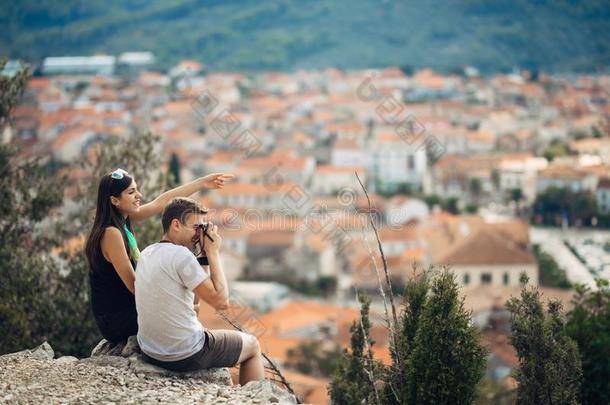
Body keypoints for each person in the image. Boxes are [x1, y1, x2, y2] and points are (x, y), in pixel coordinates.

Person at [84, 168, 233, 343]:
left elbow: (160, 202)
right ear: (115, 200)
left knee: (190, 304)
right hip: (117, 319)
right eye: (131, 192)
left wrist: (201, 183)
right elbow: (134, 285)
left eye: (136, 189)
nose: (139, 195)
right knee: (186, 305)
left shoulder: (122, 221)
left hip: (126, 310)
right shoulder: (111, 233)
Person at [135, 197, 264, 385]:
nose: (199, 234)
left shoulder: (148, 252)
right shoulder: (181, 256)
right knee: (252, 345)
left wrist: (203, 255)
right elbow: (221, 302)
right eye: (196, 227)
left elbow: (196, 301)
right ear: (176, 225)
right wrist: (213, 252)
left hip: (150, 352)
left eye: (202, 228)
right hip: (184, 355)